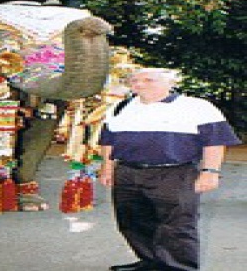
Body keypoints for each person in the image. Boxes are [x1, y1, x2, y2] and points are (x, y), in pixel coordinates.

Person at [98, 68, 241, 271]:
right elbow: (108, 141)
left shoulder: (197, 107)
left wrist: (210, 172)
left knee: (177, 226)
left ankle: (179, 267)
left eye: (148, 80)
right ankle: (151, 262)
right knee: (133, 221)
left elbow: (214, 141)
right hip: (128, 173)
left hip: (175, 173)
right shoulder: (120, 107)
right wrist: (107, 167)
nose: (139, 84)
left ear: (169, 83)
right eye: (135, 80)